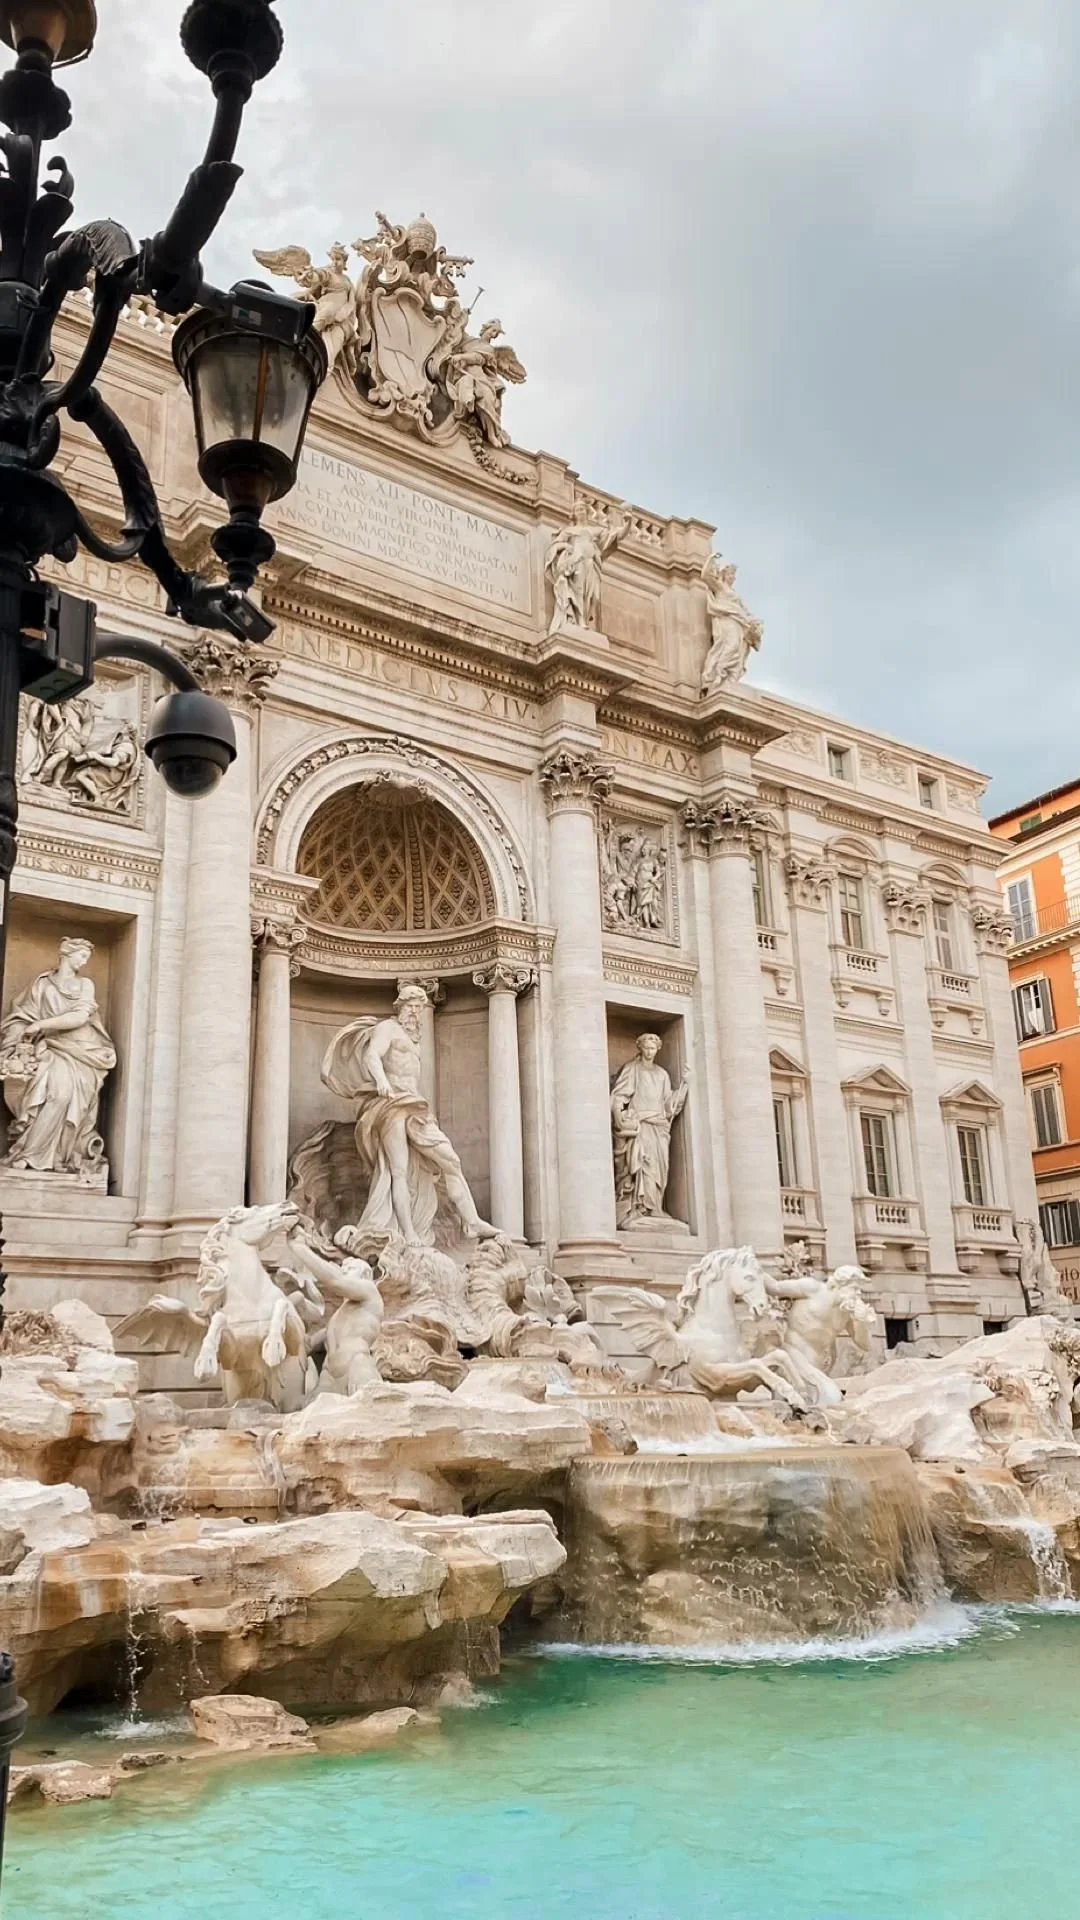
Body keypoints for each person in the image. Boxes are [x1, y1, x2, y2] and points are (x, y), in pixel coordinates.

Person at [322, 984, 498, 1246]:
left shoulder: (414, 1038)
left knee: (451, 1161)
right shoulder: (388, 1029)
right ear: (400, 1007)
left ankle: (471, 1221)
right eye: (411, 1006)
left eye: (419, 1007)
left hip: (414, 1105)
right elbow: (372, 1055)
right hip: (391, 1103)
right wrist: (381, 1081)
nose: (415, 1012)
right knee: (398, 1171)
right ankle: (409, 1233)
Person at [0, 938, 116, 1174]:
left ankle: (54, 1157)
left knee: (63, 1097)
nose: (84, 962)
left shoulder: (85, 985)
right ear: (66, 954)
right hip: (49, 1047)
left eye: (87, 958)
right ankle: (31, 1154)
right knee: (48, 1094)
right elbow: (22, 1015)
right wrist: (23, 1034)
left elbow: (80, 1017)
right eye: (81, 956)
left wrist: (42, 1024)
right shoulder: (41, 984)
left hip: (82, 1051)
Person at [610, 1034, 689, 1225]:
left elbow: (669, 1104)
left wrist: (685, 1085)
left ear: (658, 1049)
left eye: (652, 1048)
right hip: (641, 1124)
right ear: (640, 1048)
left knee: (658, 1169)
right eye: (645, 1048)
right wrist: (618, 1113)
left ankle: (656, 1208)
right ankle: (639, 1207)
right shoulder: (632, 1069)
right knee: (642, 1166)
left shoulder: (662, 1074)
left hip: (659, 1126)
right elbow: (620, 1094)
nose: (649, 1052)